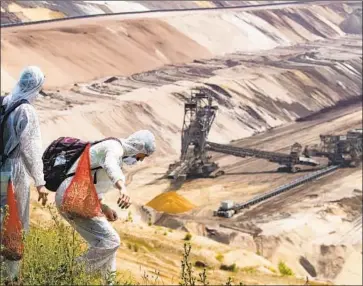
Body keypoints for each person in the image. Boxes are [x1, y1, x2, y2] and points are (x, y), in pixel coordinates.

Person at [54, 130, 156, 283]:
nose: (139, 161)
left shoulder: (117, 153)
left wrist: (104, 207)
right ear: (139, 147)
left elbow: (94, 185)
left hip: (76, 196)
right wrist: (122, 187)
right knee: (111, 241)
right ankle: (64, 277)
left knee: (108, 246)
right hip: (73, 195)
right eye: (142, 157)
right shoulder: (114, 147)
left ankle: (108, 282)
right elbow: (110, 165)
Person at [0, 66, 49, 282]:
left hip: (1, 168)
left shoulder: (5, 102)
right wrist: (40, 182)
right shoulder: (26, 111)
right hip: (14, 171)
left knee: (2, 216)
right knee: (15, 221)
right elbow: (31, 149)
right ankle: (10, 276)